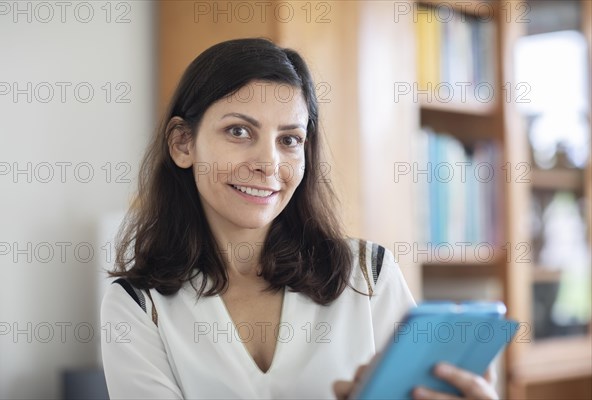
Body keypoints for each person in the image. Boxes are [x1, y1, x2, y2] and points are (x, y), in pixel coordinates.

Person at [101, 38, 498, 399]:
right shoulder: (138, 305)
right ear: (182, 143)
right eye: (239, 131)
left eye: (289, 139)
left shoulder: (368, 275)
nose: (268, 164)